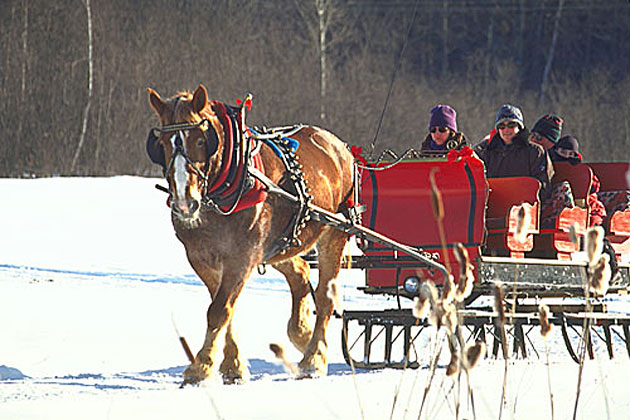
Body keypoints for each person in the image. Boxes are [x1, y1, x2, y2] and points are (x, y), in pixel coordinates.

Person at [476, 104, 554, 198]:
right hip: (494, 203)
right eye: (502, 126)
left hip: (525, 206)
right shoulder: (488, 152)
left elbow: (543, 184)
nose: (506, 130)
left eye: (511, 125)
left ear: (519, 127)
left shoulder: (534, 152)